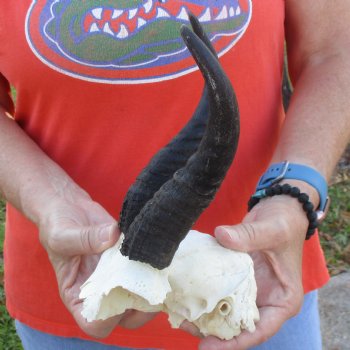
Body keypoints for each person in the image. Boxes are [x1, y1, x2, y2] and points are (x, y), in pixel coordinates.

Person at [0, 1, 349, 349]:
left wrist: (295, 190)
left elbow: (334, 50)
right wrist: (47, 198)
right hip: (83, 281)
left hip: (255, 280)